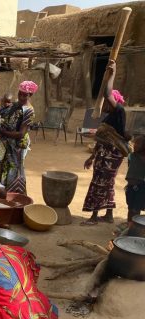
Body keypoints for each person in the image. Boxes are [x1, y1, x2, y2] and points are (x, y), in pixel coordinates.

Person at [81, 60, 131, 225]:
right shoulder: (109, 117)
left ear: (113, 103)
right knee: (107, 183)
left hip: (112, 157)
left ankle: (94, 217)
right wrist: (92, 157)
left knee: (100, 183)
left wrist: (113, 72)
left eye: (107, 103)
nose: (104, 106)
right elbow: (101, 141)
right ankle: (109, 215)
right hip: (105, 155)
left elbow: (107, 92)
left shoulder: (119, 113)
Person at [0, 81, 37, 194]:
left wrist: (3, 132)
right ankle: (5, 193)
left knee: (15, 169)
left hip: (18, 145)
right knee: (5, 167)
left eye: (25, 95)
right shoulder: (15, 105)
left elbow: (21, 134)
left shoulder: (29, 111)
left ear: (30, 95)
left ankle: (16, 195)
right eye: (20, 94)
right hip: (8, 143)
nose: (21, 97)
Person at [125, 135, 145, 223]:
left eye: (138, 143)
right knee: (130, 208)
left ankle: (137, 227)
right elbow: (130, 168)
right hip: (130, 186)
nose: (135, 145)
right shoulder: (131, 156)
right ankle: (130, 225)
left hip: (141, 187)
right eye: (135, 143)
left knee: (136, 208)